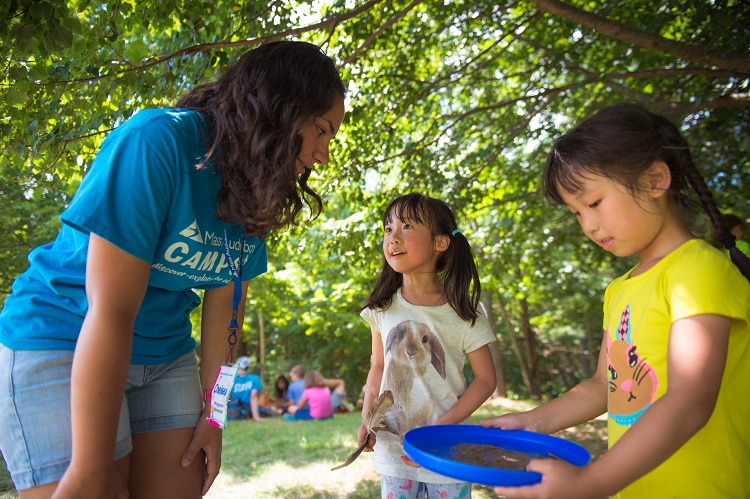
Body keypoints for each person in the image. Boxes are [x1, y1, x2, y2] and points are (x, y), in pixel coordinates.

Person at [0, 40, 345, 498]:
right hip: (64, 333)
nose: (323, 155)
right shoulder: (158, 141)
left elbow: (227, 306)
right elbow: (112, 309)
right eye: (322, 130)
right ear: (281, 107)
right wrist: (89, 465)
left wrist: (216, 414)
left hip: (164, 357)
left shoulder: (259, 189)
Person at [481, 103, 750, 499]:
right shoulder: (620, 289)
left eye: (593, 203)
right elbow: (602, 386)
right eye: (576, 213)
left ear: (656, 179)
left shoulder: (698, 272)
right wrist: (533, 421)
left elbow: (690, 399)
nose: (588, 224)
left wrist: (592, 481)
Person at [358, 193, 497, 499]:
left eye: (406, 226)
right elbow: (378, 366)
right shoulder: (382, 309)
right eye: (387, 228)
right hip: (394, 453)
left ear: (440, 243)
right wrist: (368, 418)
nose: (392, 237)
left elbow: (486, 380)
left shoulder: (463, 314)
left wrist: (437, 431)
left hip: (445, 450)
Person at [227, 356, 264, 421]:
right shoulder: (255, 378)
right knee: (269, 410)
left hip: (232, 412)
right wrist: (256, 417)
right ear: (248, 367)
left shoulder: (229, 379)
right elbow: (253, 397)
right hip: (248, 411)